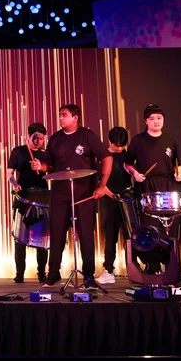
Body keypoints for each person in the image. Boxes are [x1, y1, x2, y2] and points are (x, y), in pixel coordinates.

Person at [32, 104, 113, 289]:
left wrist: (102, 185)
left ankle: (88, 276)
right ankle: (54, 273)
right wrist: (40, 166)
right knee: (57, 233)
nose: (60, 118)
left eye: (64, 115)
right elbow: (48, 165)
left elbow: (107, 158)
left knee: (86, 234)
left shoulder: (88, 136)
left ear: (75, 118)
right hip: (60, 193)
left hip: (84, 193)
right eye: (60, 115)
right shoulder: (55, 139)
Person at [123, 104, 181, 239]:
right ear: (146, 121)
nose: (156, 121)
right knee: (151, 227)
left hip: (168, 187)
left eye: (159, 118)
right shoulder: (138, 140)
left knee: (171, 227)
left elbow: (177, 164)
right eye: (152, 119)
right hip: (147, 187)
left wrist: (178, 174)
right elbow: (127, 164)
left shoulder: (171, 140)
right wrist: (135, 174)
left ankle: (171, 251)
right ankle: (152, 253)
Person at [6, 122, 49, 283]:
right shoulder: (18, 151)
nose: (38, 142)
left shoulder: (46, 153)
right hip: (23, 196)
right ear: (28, 137)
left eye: (41, 138)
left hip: (43, 197)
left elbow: (52, 172)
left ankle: (42, 273)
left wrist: (43, 167)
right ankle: (19, 273)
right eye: (35, 138)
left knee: (43, 237)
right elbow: (9, 173)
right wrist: (14, 184)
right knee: (20, 238)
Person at [98, 126, 132, 285]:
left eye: (122, 146)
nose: (119, 149)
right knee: (110, 237)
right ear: (109, 141)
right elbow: (99, 181)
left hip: (127, 200)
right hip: (108, 199)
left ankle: (133, 268)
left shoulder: (128, 156)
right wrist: (111, 194)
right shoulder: (102, 157)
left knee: (130, 237)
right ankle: (108, 271)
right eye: (116, 146)